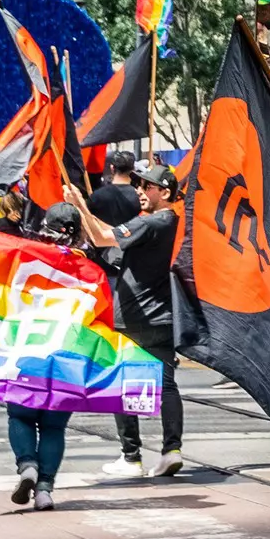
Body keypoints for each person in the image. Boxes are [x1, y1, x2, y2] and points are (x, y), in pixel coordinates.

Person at [65, 162, 184, 479]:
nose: (140, 191)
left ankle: (131, 457)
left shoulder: (153, 222)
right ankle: (171, 450)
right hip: (163, 316)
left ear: (165, 191)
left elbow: (103, 237)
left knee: (125, 384)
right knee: (166, 385)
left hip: (135, 317)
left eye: (148, 187)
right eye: (139, 186)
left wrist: (78, 203)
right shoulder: (170, 222)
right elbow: (111, 238)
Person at [6, 203, 85, 512]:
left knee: (20, 416)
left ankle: (27, 464)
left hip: (28, 350)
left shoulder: (26, 258)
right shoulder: (87, 268)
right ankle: (44, 489)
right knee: (53, 427)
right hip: (67, 357)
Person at [87, 151, 143, 228]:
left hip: (103, 238)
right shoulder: (141, 197)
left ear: (112, 168)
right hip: (133, 238)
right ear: (133, 169)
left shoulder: (96, 196)